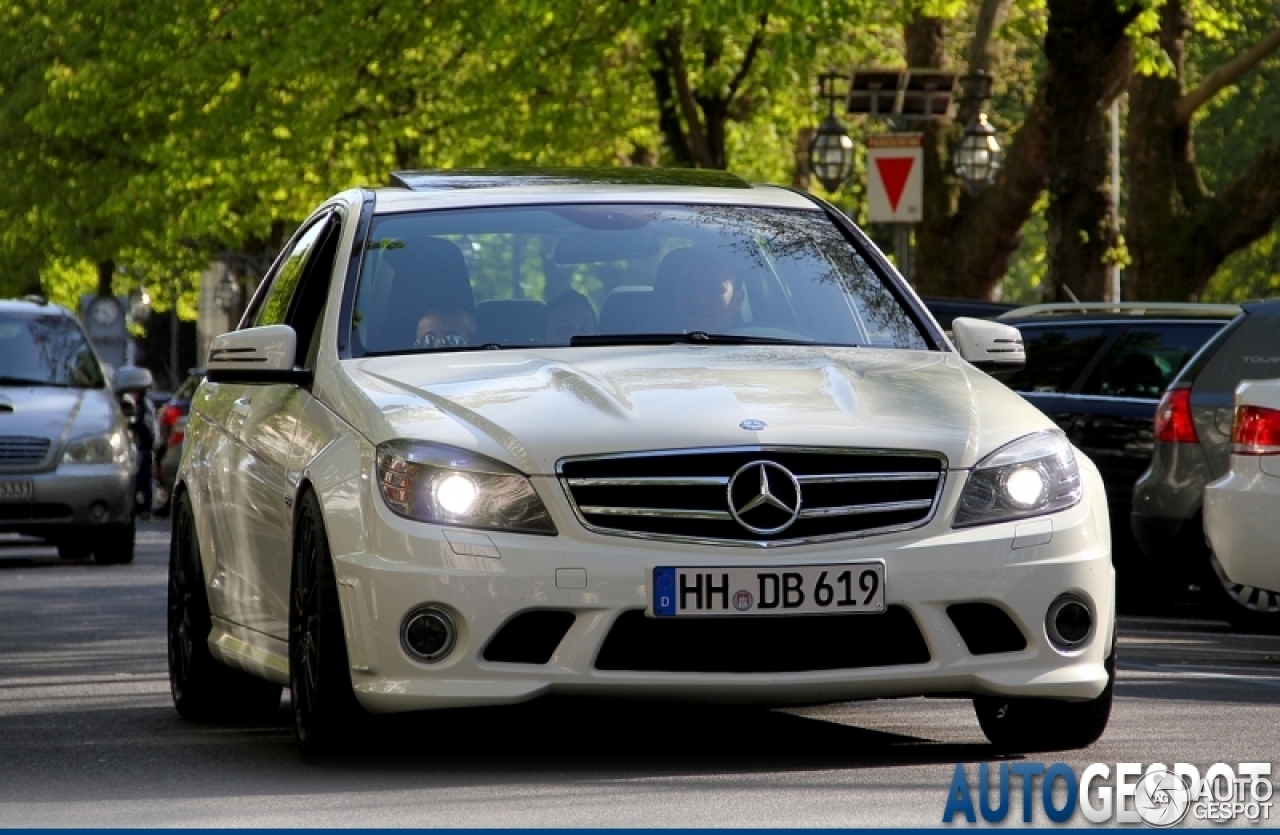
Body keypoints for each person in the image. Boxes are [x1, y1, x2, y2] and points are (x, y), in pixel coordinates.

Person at [673, 253, 745, 333]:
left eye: (712, 289)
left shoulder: (756, 342)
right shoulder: (659, 342)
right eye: (688, 288)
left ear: (737, 300)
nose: (698, 300)